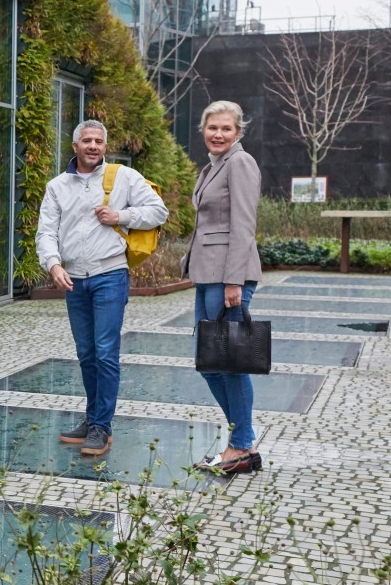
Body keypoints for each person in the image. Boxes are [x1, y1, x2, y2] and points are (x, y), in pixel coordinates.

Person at [34, 119, 169, 459]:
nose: (93, 146)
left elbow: (158, 211)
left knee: (106, 351)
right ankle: (92, 418)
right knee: (87, 354)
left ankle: (102, 428)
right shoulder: (57, 186)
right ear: (75, 146)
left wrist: (120, 216)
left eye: (98, 141)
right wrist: (53, 264)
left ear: (104, 147)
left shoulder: (124, 177)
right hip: (74, 280)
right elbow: (46, 231)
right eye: (87, 140)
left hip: (110, 275)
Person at [184, 100, 263, 476]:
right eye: (212, 128)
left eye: (226, 129)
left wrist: (234, 279)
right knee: (210, 363)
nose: (218, 134)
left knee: (230, 363)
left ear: (238, 132)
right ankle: (241, 439)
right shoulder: (212, 167)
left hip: (228, 276)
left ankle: (241, 445)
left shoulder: (241, 163)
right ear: (203, 130)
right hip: (207, 275)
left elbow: (244, 225)